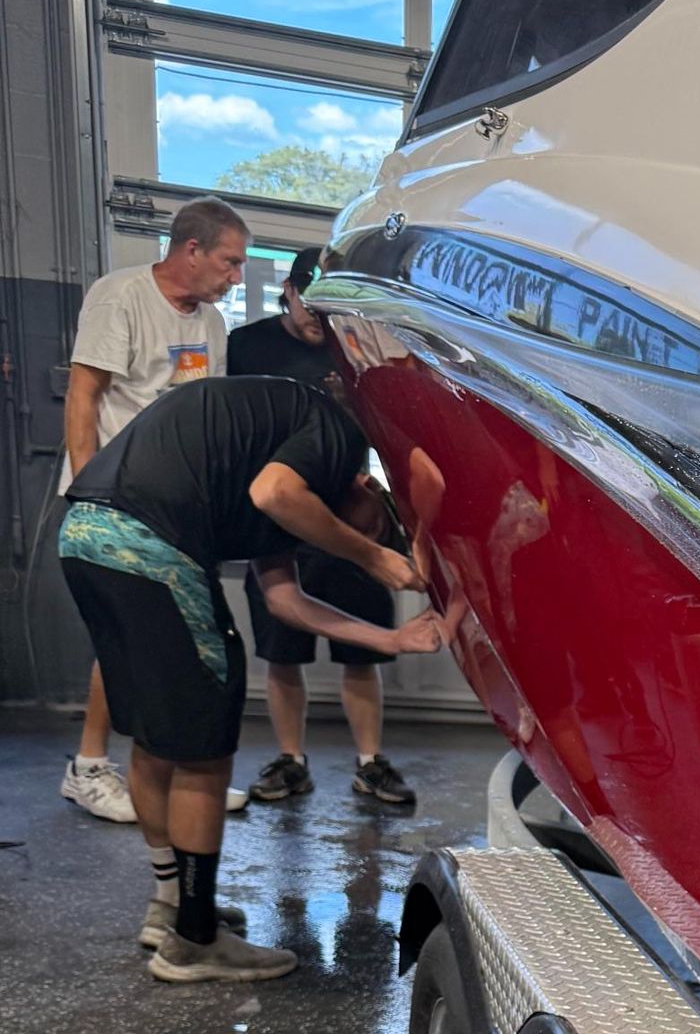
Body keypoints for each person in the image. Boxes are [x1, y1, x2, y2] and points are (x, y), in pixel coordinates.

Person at [58, 374, 445, 985]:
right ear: (365, 487)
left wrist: (392, 639)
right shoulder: (337, 437)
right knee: (204, 749)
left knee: (158, 740)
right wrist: (371, 556)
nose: (359, 536)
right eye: (372, 525)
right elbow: (276, 494)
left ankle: (174, 908)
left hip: (85, 535)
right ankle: (194, 943)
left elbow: (286, 599)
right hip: (152, 542)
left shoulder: (278, 454)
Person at [59, 196, 250, 822]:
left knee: (181, 637)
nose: (236, 276)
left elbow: (204, 414)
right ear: (190, 249)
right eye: (230, 261)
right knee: (130, 636)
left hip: (179, 505)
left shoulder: (212, 324)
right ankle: (88, 769)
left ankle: (185, 772)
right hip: (118, 500)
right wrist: (90, 491)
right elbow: (83, 396)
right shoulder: (122, 297)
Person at [228, 248, 418, 812]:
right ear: (286, 291)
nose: (319, 321)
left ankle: (370, 764)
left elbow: (391, 427)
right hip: (278, 517)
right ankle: (292, 760)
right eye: (309, 308)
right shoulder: (245, 347)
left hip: (347, 518)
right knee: (283, 650)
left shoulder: (358, 348)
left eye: (329, 311)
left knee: (362, 649)